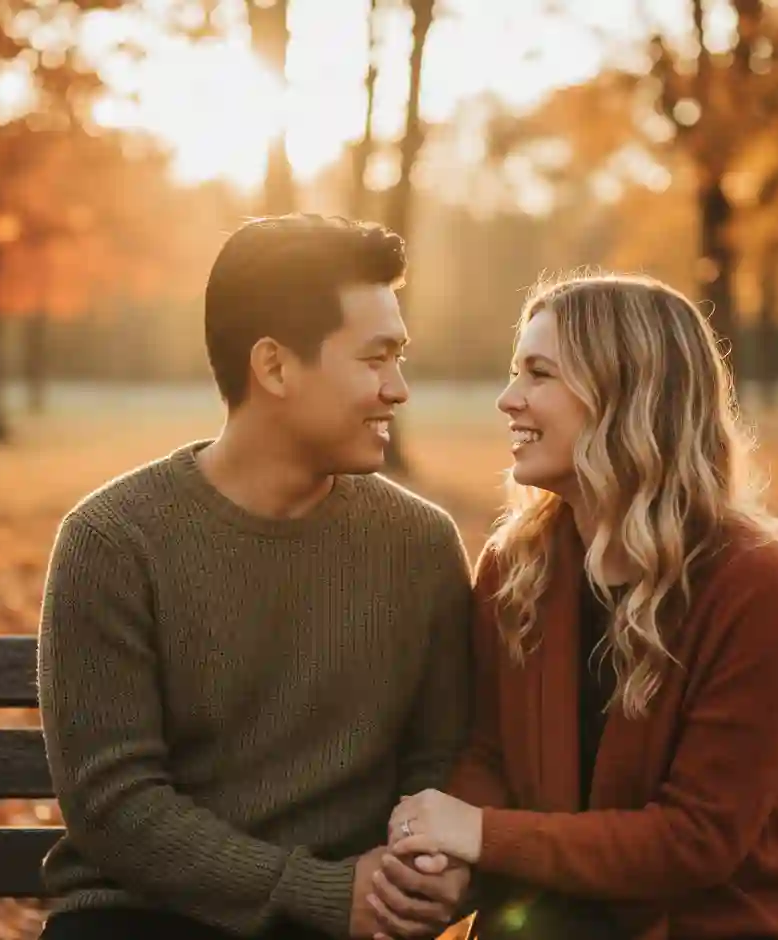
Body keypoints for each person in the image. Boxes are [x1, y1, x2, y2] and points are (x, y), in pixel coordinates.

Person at [36, 214, 474, 940]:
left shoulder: (419, 545)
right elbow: (115, 804)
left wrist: (422, 877)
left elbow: (439, 761)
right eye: (375, 358)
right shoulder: (112, 541)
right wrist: (321, 891)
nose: (398, 388)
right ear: (273, 367)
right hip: (142, 920)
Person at [375, 273, 778, 940]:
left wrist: (479, 833)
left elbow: (697, 839)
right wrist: (445, 860)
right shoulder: (518, 565)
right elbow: (488, 755)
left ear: (627, 395)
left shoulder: (751, 581)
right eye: (515, 373)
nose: (508, 400)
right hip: (547, 924)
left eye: (539, 374)